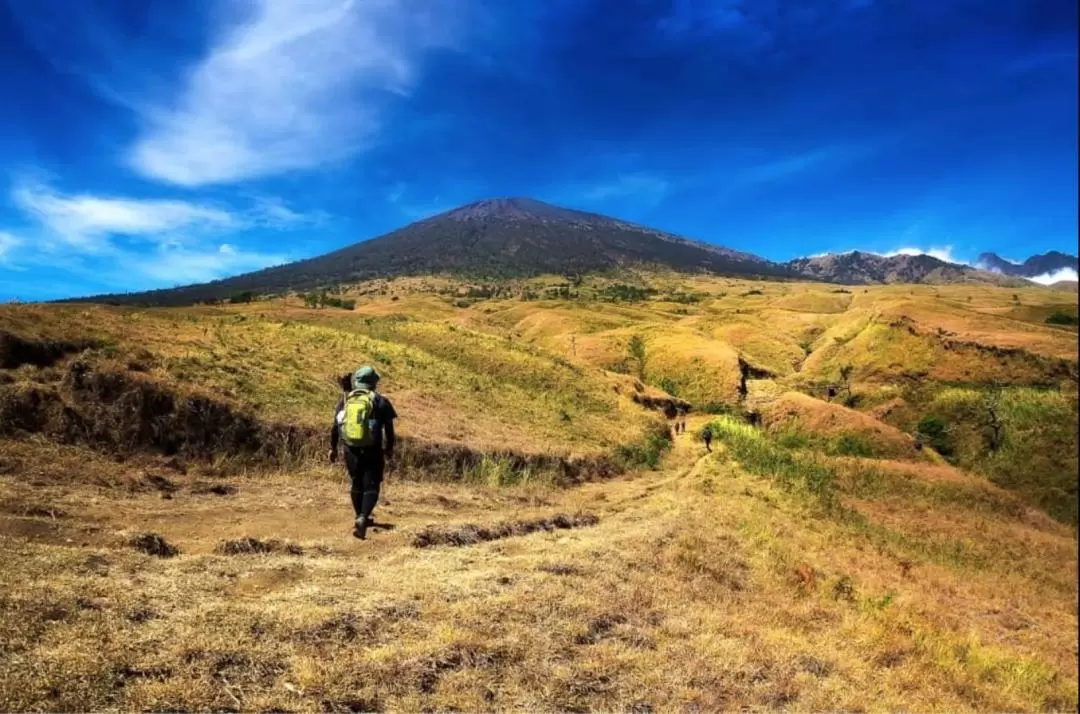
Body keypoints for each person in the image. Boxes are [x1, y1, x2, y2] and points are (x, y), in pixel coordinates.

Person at [330, 366, 398, 539]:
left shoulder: (346, 401)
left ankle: (359, 515)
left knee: (356, 482)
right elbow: (389, 431)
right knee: (372, 483)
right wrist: (389, 449)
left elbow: (336, 427)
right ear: (374, 383)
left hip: (350, 448)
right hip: (372, 449)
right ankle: (363, 517)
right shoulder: (380, 402)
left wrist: (333, 448)